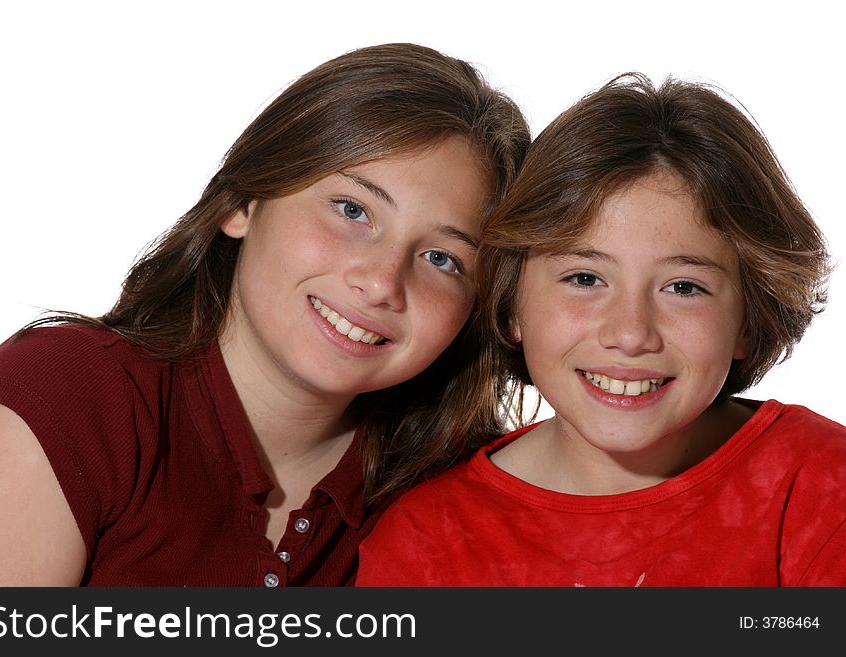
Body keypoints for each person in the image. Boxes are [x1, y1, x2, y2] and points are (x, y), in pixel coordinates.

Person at [0, 43, 530, 586]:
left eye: (442, 258)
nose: (382, 283)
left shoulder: (470, 488)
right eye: (352, 210)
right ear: (243, 202)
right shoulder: (69, 398)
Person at [356, 73, 846, 586]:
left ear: (748, 319)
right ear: (511, 306)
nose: (631, 334)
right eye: (585, 278)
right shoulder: (427, 543)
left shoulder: (819, 488)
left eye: (683, 288)